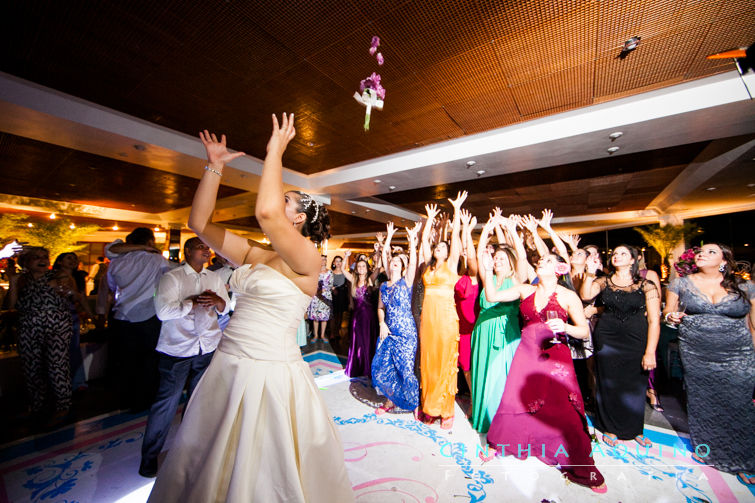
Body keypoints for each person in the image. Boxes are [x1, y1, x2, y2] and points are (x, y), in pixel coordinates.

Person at [147, 116, 354, 502]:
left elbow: (266, 214)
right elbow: (198, 222)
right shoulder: (255, 254)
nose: (280, 202)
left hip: (269, 372)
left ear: (299, 218)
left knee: (263, 469)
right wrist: (215, 166)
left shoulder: (307, 259)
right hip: (227, 364)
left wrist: (275, 149)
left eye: (288, 200)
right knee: (208, 460)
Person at [484, 249, 606, 493]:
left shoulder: (568, 295)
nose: (541, 261)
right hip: (526, 354)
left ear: (560, 269)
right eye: (541, 259)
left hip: (556, 355)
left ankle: (581, 465)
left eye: (548, 260)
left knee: (563, 408)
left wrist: (566, 327)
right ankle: (505, 440)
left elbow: (584, 331)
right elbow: (492, 295)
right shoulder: (525, 289)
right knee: (515, 399)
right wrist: (487, 268)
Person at [139, 237, 230, 478]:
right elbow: (163, 312)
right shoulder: (173, 277)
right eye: (201, 246)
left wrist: (218, 301)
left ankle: (189, 453)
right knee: (166, 404)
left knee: (198, 403)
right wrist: (191, 303)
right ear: (187, 251)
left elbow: (227, 306)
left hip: (207, 346)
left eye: (206, 247)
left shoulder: (214, 277)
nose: (206, 250)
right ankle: (149, 458)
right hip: (177, 350)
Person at [665, 243, 755, 485]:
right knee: (702, 401)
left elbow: (754, 325)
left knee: (739, 404)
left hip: (739, 355)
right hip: (697, 353)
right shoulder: (681, 283)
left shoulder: (744, 286)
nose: (702, 254)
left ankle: (743, 458)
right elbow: (668, 313)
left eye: (710, 252)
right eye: (700, 252)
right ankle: (708, 450)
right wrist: (671, 317)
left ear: (724, 260)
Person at [581, 244, 660, 448]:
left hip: (636, 338)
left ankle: (635, 429)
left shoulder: (646, 285)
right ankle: (608, 426)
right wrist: (589, 273)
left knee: (635, 383)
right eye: (615, 253)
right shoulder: (603, 281)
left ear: (633, 260)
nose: (617, 256)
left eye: (623, 253)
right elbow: (586, 295)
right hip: (607, 336)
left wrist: (650, 350)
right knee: (608, 382)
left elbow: (654, 320)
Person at [106, 228, 177, 411]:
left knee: (123, 361)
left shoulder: (116, 261)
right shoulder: (156, 260)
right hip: (147, 316)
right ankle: (143, 401)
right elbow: (168, 280)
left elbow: (112, 286)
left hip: (121, 316)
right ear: (150, 242)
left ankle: (123, 400)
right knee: (148, 362)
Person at [6, 247, 74, 424]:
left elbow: (68, 291)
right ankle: (36, 406)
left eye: (45, 257)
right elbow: (12, 305)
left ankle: (63, 406)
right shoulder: (22, 280)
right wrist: (12, 282)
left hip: (57, 326)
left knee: (56, 365)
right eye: (36, 258)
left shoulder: (58, 276)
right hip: (28, 326)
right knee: (31, 367)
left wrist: (63, 286)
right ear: (26, 262)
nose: (42, 260)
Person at [469, 214, 524, 433]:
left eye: (503, 258)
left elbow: (522, 257)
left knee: (502, 377)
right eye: (496, 257)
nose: (498, 260)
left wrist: (510, 230)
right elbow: (479, 252)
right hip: (482, 331)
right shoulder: (488, 277)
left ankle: (503, 422)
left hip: (505, 332)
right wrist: (485, 230)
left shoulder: (517, 278)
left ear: (510, 261)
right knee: (482, 373)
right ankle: (483, 417)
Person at [418, 192, 466, 429]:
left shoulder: (452, 263)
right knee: (428, 361)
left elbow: (455, 238)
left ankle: (446, 410)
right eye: (439, 246)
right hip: (428, 319)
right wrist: (428, 221)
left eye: (444, 247)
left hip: (447, 318)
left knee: (445, 362)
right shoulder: (428, 266)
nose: (440, 247)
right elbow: (424, 242)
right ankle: (429, 406)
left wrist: (456, 211)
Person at [371, 221, 421, 415]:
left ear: (403, 266)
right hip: (389, 332)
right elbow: (380, 308)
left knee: (406, 370)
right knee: (387, 367)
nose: (393, 264)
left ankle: (414, 404)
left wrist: (412, 242)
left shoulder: (406, 282)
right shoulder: (384, 285)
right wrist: (382, 323)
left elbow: (414, 262)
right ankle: (389, 401)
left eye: (397, 262)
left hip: (407, 334)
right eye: (392, 262)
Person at [52, 252, 93, 392]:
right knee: (68, 349)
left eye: (75, 258)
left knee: (72, 349)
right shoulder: (57, 277)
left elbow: (82, 298)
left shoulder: (78, 277)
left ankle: (75, 381)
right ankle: (73, 382)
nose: (73, 261)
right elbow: (78, 298)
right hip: (61, 316)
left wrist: (90, 314)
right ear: (59, 262)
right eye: (68, 258)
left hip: (71, 315)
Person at [454, 209, 479, 400]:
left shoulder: (474, 276)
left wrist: (467, 230)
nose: (464, 253)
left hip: (472, 328)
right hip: (456, 327)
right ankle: (468, 395)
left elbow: (470, 260)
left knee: (472, 365)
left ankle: (476, 398)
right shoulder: (456, 277)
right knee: (462, 365)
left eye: (467, 251)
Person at [341, 250, 379, 378]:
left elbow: (378, 268)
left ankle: (368, 368)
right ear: (356, 269)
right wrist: (346, 256)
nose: (361, 268)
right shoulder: (353, 279)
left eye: (363, 266)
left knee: (369, 342)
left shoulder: (370, 279)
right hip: (357, 317)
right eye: (359, 266)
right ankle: (357, 367)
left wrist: (378, 252)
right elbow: (343, 270)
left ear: (367, 268)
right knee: (357, 342)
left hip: (369, 317)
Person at [307, 255, 333, 342]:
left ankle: (322, 335)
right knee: (315, 317)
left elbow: (331, 284)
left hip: (325, 296)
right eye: (321, 260)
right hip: (316, 296)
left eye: (324, 260)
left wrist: (325, 288)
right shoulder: (314, 271)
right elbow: (310, 282)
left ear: (326, 261)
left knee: (324, 317)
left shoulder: (330, 272)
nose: (323, 261)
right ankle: (315, 335)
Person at [330, 255, 349, 340]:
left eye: (340, 261)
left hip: (342, 295)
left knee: (340, 315)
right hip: (333, 295)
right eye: (336, 261)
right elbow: (327, 284)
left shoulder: (345, 273)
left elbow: (348, 285)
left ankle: (337, 331)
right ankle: (332, 333)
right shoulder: (330, 273)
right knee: (333, 315)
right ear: (333, 263)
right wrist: (332, 288)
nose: (338, 263)